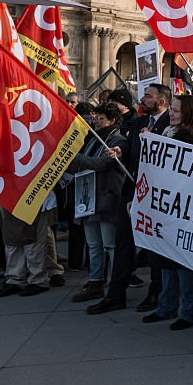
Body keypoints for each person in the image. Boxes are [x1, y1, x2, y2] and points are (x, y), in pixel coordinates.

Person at [86, 83, 171, 314]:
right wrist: (120, 152)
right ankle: (115, 294)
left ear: (161, 101)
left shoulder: (169, 124)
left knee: (154, 246)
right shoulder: (140, 123)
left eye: (149, 96)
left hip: (156, 195)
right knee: (123, 242)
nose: (143, 98)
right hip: (132, 191)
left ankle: (156, 292)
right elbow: (133, 153)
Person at [142, 95, 193, 330]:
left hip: (182, 206)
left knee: (181, 262)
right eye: (171, 109)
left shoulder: (186, 136)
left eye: (177, 110)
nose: (172, 113)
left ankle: (189, 312)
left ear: (187, 113)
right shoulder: (169, 132)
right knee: (165, 258)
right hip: (166, 205)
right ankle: (166, 306)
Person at [67, 102, 127, 303]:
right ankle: (95, 280)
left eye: (101, 118)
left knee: (109, 243)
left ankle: (115, 281)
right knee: (93, 244)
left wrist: (73, 157)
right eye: (96, 117)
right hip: (89, 197)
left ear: (112, 120)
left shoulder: (118, 139)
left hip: (107, 198)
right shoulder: (91, 138)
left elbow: (101, 164)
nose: (97, 121)